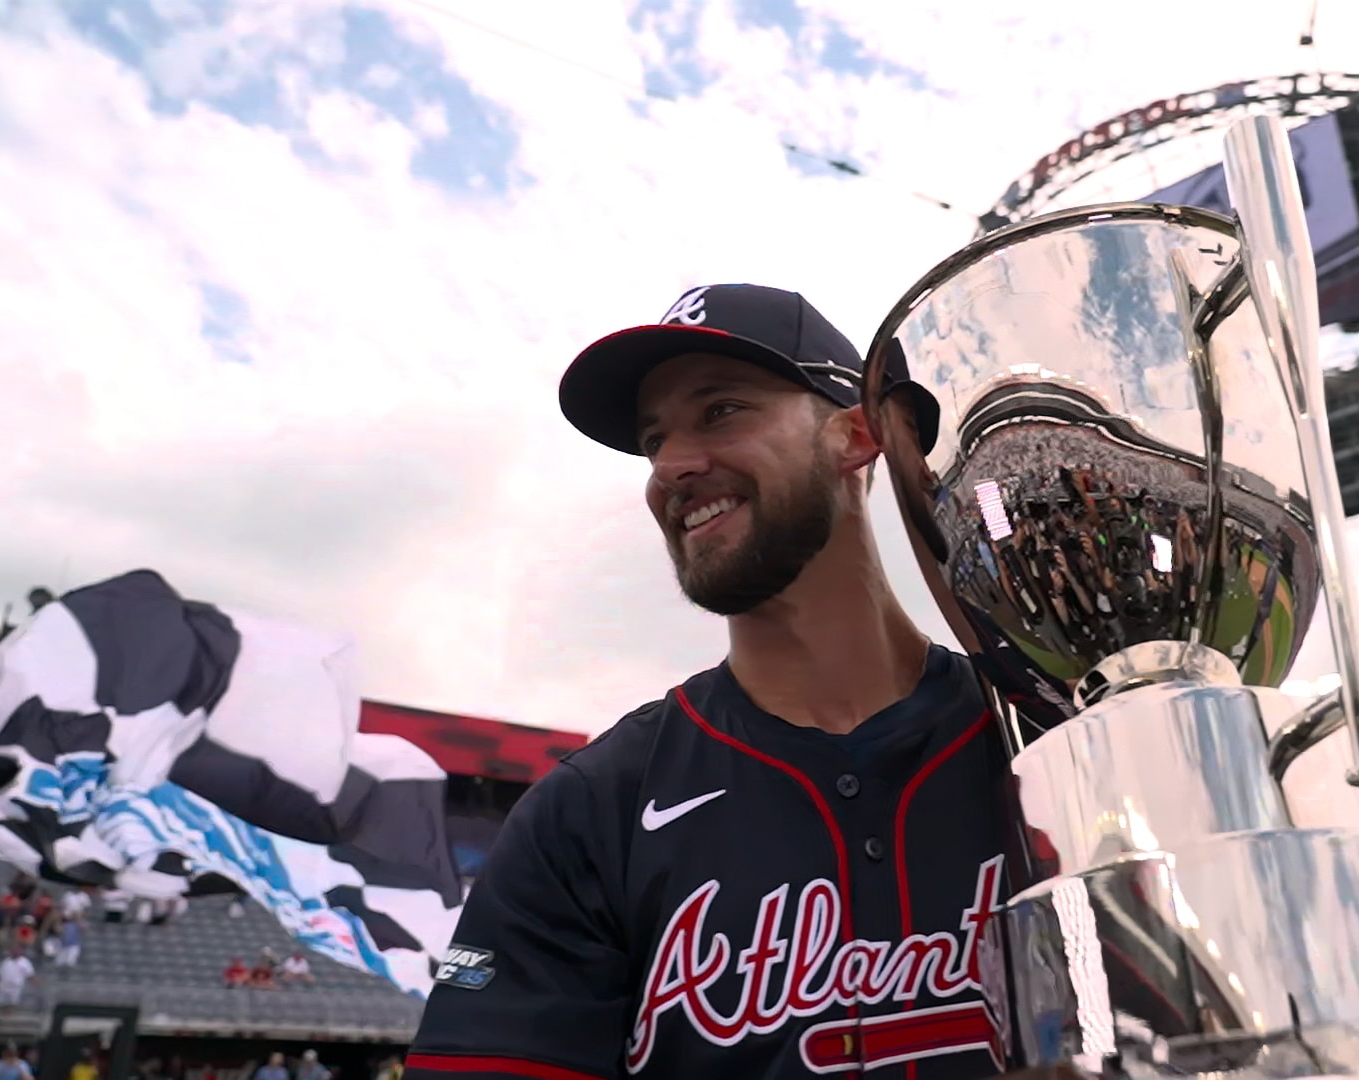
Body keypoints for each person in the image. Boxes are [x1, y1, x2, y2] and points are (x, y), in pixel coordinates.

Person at [407, 285, 1015, 1079]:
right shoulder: (591, 807)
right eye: (653, 440)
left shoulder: (1042, 735)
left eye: (721, 411)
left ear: (858, 435)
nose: (672, 466)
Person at [0, 946, 37, 1013]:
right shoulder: (6, 961)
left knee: (12, 1004)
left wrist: (35, 981)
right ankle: (2, 1016)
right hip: (3, 985)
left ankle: (9, 1017)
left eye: (17, 951)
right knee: (1, 1003)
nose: (15, 952)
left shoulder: (25, 962)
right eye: (14, 951)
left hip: (15, 986)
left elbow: (30, 974)